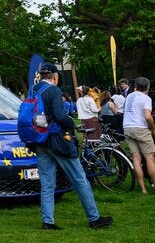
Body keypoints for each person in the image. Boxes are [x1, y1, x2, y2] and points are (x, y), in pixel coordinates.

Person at [31, 63, 112, 230]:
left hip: (40, 140)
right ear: (55, 76)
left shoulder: (33, 90)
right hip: (58, 140)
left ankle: (47, 221)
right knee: (79, 178)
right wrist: (71, 123)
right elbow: (60, 116)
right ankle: (94, 218)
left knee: (47, 183)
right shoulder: (54, 90)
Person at [122, 76, 155, 195]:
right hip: (140, 128)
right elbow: (147, 116)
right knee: (149, 158)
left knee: (136, 158)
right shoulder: (146, 98)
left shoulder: (129, 96)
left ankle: (143, 189)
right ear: (148, 87)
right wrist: (153, 128)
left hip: (127, 127)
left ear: (135, 86)